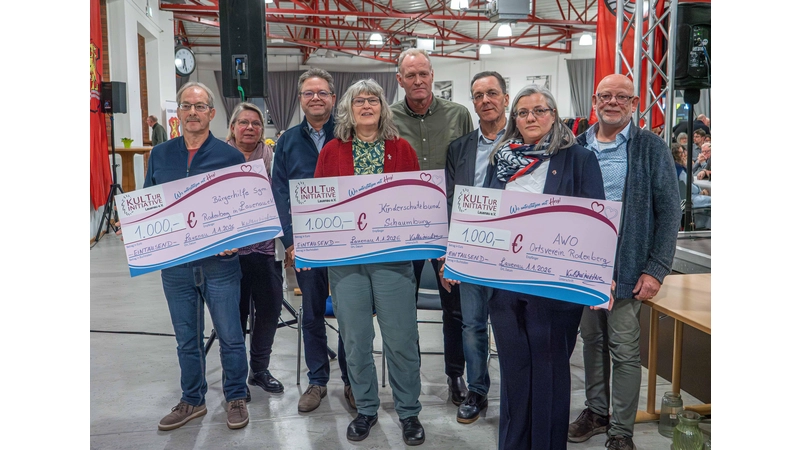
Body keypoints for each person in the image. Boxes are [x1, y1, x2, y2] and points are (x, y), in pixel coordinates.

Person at [468, 84, 606, 450]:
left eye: (539, 110)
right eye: (523, 112)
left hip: (554, 289)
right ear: (514, 119)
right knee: (514, 372)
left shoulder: (579, 159)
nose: (531, 117)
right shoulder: (500, 160)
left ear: (554, 115)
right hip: (505, 286)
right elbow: (484, 214)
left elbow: (594, 224)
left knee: (549, 372)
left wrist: (597, 279)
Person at [568, 74, 681, 450]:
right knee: (592, 341)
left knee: (624, 349)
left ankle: (621, 431)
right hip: (585, 264)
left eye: (621, 97)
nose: (612, 102)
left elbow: (669, 211)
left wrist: (656, 268)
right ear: (594, 102)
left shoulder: (650, 147)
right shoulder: (577, 145)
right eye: (605, 96)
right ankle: (597, 412)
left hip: (629, 266)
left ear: (634, 105)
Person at [313, 78, 426, 446]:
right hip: (347, 262)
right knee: (356, 339)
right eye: (359, 101)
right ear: (348, 108)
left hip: (393, 260)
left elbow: (416, 201)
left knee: (401, 339)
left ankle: (408, 412)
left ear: (382, 107)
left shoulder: (402, 149)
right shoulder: (332, 151)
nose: (366, 106)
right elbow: (318, 204)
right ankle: (365, 408)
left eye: (372, 100)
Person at [142, 82, 250, 431]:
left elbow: (243, 210)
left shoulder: (230, 157)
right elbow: (149, 202)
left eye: (199, 106)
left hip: (220, 266)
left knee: (230, 336)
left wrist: (235, 239)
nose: (192, 112)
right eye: (186, 106)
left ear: (211, 113)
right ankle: (192, 400)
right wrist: (134, 226)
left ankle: (236, 396)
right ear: (179, 112)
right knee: (186, 339)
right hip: (176, 266)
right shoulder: (160, 155)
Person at [390, 48, 473, 406]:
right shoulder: (388, 118)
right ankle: (408, 376)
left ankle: (455, 375)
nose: (418, 80)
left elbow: (469, 168)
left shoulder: (459, 115)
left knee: (455, 308)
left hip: (449, 228)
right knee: (401, 307)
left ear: (432, 75)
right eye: (411, 75)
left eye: (423, 73)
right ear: (400, 80)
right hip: (403, 228)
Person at [271, 68, 353, 413]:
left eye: (322, 92)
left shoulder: (350, 134)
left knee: (351, 313)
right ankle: (317, 380)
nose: (315, 98)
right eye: (309, 93)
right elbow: (279, 194)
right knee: (313, 313)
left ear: (333, 98)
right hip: (306, 244)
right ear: (300, 99)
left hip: (349, 242)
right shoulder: (287, 141)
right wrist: (290, 242)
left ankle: (353, 380)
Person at [444, 71, 509, 424]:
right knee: (472, 325)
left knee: (511, 325)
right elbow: (450, 202)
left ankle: (515, 391)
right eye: (479, 95)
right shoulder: (460, 148)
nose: (486, 100)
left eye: (492, 93)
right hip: (470, 251)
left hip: (512, 252)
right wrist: (450, 253)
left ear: (506, 98)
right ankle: (477, 390)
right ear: (473, 102)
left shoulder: (526, 142)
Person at [225, 102, 286, 397]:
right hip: (229, 253)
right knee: (233, 314)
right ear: (232, 127)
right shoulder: (219, 157)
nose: (250, 128)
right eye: (243, 122)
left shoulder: (273, 158)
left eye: (256, 123)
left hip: (266, 250)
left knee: (270, 309)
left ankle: (259, 370)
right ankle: (235, 376)